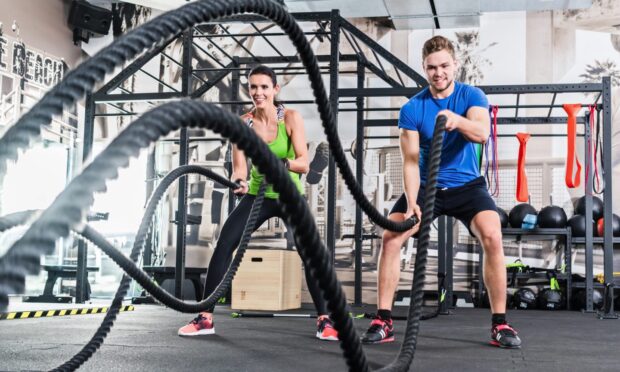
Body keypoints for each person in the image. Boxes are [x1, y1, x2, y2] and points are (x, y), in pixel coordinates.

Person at [361, 36, 521, 349]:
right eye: (432, 67)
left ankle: (500, 324)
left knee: (492, 234)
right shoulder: (412, 108)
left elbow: (481, 133)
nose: (439, 73)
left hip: (467, 186)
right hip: (425, 186)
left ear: (455, 65)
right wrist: (410, 203)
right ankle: (383, 319)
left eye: (445, 65)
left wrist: (455, 120)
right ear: (424, 68)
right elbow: (408, 162)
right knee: (391, 237)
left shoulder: (471, 95)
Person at [178, 65, 338, 341]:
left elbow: (303, 162)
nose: (258, 92)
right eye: (253, 87)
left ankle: (325, 321)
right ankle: (206, 317)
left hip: (289, 196)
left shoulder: (290, 118)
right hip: (256, 195)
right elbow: (239, 167)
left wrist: (282, 162)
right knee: (225, 244)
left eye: (264, 87)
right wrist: (239, 181)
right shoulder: (243, 124)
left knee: (309, 252)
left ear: (275, 89)